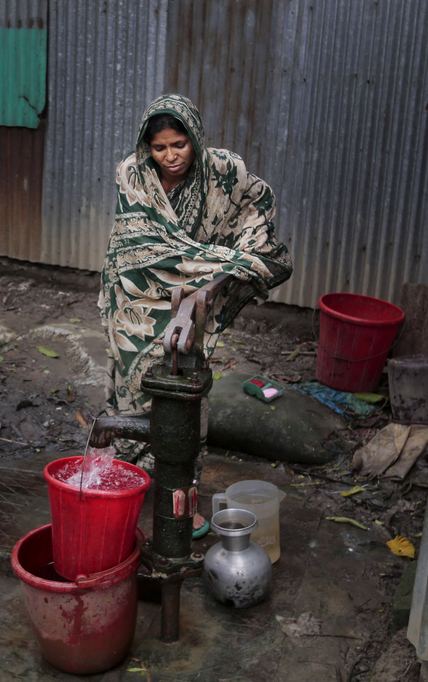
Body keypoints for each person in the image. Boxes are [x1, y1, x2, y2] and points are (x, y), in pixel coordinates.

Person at [98, 94, 292, 480]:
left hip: (192, 291)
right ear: (147, 147)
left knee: (187, 371)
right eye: (159, 148)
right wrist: (222, 259)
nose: (170, 156)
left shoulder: (222, 170)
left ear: (196, 139)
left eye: (179, 144)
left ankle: (179, 469)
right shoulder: (132, 173)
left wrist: (226, 258)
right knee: (130, 366)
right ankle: (132, 461)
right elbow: (139, 247)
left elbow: (257, 204)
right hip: (137, 287)